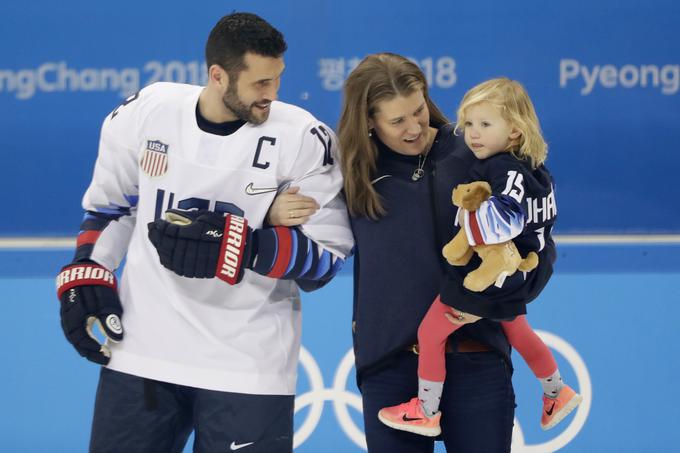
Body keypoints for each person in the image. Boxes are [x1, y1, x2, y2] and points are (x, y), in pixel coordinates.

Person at [55, 12, 353, 453]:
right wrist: (88, 268)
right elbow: (111, 207)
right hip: (144, 351)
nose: (272, 94)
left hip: (249, 364)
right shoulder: (147, 112)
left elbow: (327, 257)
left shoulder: (304, 138)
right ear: (217, 75)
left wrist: (247, 247)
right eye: (259, 84)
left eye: (277, 80)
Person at [377, 78, 582, 438]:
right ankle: (556, 391)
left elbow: (502, 223)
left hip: (490, 278)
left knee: (430, 332)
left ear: (515, 131)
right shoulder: (536, 169)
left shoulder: (503, 170)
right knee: (517, 329)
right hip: (520, 274)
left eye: (485, 125)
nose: (472, 134)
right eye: (468, 123)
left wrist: (471, 231)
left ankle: (426, 409)